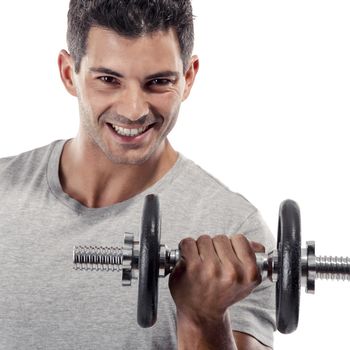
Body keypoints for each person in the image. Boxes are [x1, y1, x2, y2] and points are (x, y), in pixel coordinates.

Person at [0, 1, 275, 349]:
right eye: (108, 80)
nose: (133, 110)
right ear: (69, 73)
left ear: (188, 78)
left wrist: (203, 319)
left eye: (158, 82)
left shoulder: (237, 234)